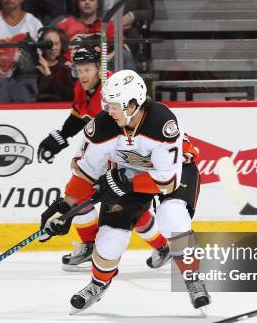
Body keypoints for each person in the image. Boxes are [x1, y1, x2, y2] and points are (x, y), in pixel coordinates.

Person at [39, 70, 210, 312]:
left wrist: (126, 184)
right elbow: (86, 174)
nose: (108, 110)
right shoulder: (101, 127)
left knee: (172, 218)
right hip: (128, 172)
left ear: (132, 104)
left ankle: (193, 280)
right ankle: (98, 284)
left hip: (175, 170)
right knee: (110, 237)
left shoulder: (162, 124)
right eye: (107, 104)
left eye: (114, 105)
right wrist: (64, 207)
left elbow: (166, 181)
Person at [37, 47, 170, 270]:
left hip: (126, 158)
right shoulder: (82, 87)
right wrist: (62, 135)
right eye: (79, 70)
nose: (83, 75)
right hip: (105, 153)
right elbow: (80, 116)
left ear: (100, 69)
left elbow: (123, 132)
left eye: (88, 69)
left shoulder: (111, 96)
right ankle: (93, 245)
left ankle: (167, 248)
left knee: (127, 208)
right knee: (89, 197)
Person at [36, 26, 75, 101]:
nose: (53, 48)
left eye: (56, 44)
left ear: (61, 45)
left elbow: (67, 96)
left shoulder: (66, 67)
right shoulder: (34, 66)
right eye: (49, 44)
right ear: (42, 45)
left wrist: (48, 75)